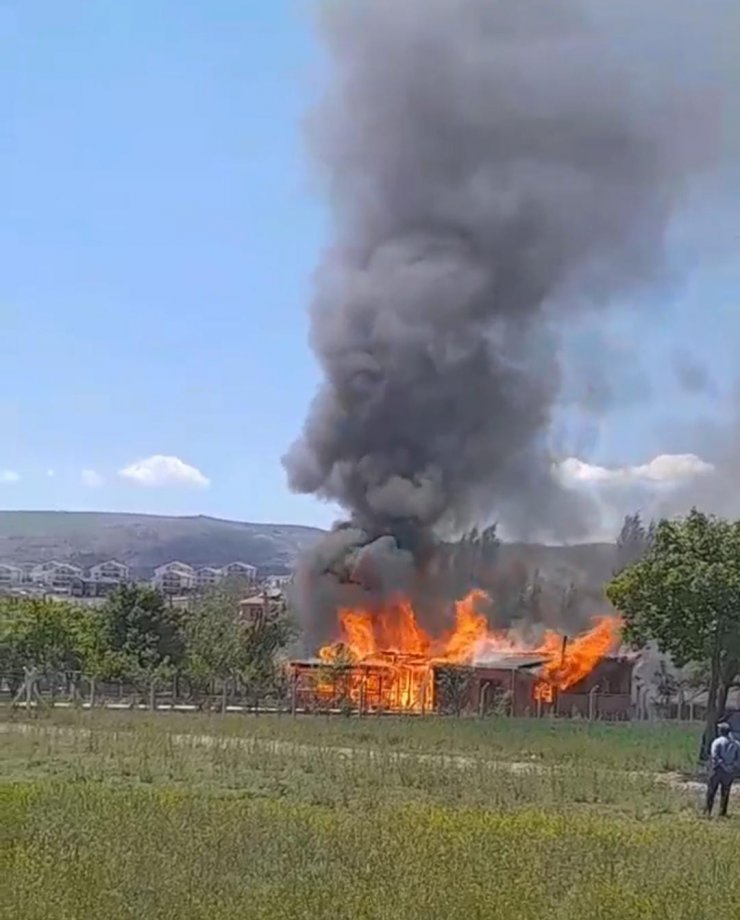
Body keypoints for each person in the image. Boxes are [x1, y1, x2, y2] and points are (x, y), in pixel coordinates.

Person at [704, 722, 740, 818]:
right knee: (725, 792)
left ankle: (708, 811)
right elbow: (738, 759)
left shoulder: (717, 742)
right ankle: (722, 812)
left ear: (721, 731)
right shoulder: (736, 744)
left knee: (711, 791)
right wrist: (731, 766)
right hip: (729, 772)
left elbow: (715, 756)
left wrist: (723, 765)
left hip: (717, 770)